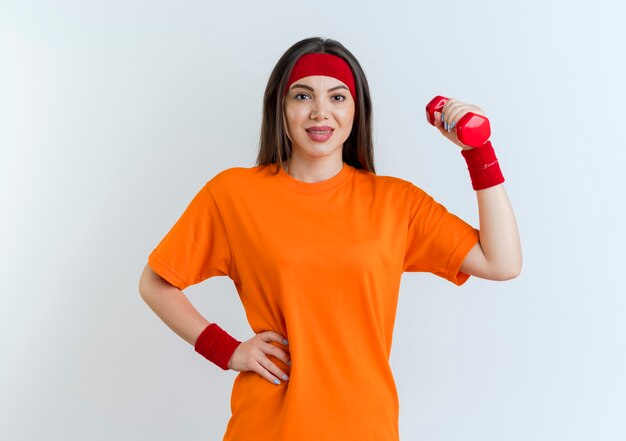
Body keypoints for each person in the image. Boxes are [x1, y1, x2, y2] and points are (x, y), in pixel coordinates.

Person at [138, 36, 522, 441]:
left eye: (338, 97)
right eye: (303, 96)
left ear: (356, 111)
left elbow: (502, 262)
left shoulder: (395, 202)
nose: (320, 111)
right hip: (267, 428)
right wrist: (228, 350)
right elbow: (156, 282)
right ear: (280, 108)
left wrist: (479, 152)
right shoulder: (233, 194)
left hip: (365, 427)